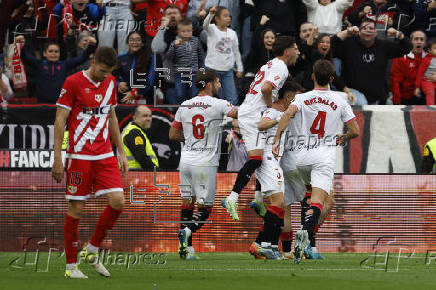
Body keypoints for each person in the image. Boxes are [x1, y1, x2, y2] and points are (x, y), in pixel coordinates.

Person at [51, 46, 128, 278]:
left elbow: (111, 116)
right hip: (79, 156)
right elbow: (59, 119)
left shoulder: (111, 82)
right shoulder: (73, 82)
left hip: (105, 154)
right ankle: (71, 267)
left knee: (118, 202)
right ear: (92, 62)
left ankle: (92, 248)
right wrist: (57, 157)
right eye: (102, 70)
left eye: (109, 72)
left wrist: (121, 151)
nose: (105, 75)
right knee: (76, 208)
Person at [273, 60, 359, 263]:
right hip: (323, 157)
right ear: (331, 79)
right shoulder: (340, 100)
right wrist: (343, 138)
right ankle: (306, 233)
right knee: (320, 202)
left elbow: (287, 114)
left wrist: (277, 139)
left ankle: (309, 240)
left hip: (301, 158)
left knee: (319, 198)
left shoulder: (302, 98)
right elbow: (355, 130)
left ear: (312, 76)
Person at [222, 36, 300, 221]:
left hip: (249, 110)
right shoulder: (281, 67)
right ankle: (232, 197)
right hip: (253, 114)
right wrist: (270, 106)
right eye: (296, 48)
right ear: (287, 50)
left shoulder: (270, 64)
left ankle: (258, 198)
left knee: (265, 155)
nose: (298, 52)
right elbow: (266, 88)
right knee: (257, 158)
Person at [169, 70, 238, 260]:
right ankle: (188, 232)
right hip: (205, 163)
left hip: (186, 162)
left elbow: (173, 135)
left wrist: (191, 138)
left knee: (187, 203)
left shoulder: (185, 105)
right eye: (217, 82)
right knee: (205, 208)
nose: (220, 85)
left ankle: (187, 249)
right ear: (208, 84)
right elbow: (237, 113)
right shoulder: (219, 104)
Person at [248, 79, 298, 260]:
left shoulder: (283, 113)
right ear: (289, 96)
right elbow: (261, 125)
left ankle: (265, 245)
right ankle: (259, 244)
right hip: (268, 160)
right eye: (296, 98)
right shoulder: (274, 112)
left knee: (279, 205)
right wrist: (280, 117)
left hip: (272, 161)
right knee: (279, 203)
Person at [331, 19, 411, 104]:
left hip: (377, 96)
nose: (368, 30)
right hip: (352, 93)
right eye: (364, 28)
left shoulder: (384, 46)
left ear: (376, 33)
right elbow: (330, 47)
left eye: (371, 28)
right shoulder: (349, 44)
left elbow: (407, 48)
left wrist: (398, 34)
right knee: (362, 102)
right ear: (359, 31)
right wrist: (346, 32)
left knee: (389, 104)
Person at [20, 39, 97, 103]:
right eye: (50, 51)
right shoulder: (39, 64)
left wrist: (91, 45)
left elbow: (82, 58)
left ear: (59, 54)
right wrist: (20, 43)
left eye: (56, 52)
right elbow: (25, 56)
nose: (53, 54)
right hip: (42, 104)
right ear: (44, 53)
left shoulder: (64, 64)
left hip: (60, 103)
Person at [203, 6, 243, 105]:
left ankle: (229, 119)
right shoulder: (212, 29)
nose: (228, 18)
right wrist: (210, 14)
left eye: (229, 16)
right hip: (212, 70)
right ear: (217, 19)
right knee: (216, 97)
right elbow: (205, 25)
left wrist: (240, 68)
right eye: (225, 16)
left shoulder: (232, 33)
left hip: (228, 71)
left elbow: (236, 51)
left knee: (232, 98)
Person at [166, 18, 205, 104]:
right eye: (184, 31)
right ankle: (182, 109)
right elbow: (169, 57)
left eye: (189, 31)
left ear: (192, 31)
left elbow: (201, 56)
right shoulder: (174, 43)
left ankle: (193, 109)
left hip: (194, 72)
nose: (187, 33)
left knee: (194, 92)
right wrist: (174, 47)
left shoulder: (196, 41)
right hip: (179, 72)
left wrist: (202, 69)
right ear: (178, 32)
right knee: (180, 93)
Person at [114, 31, 155, 104]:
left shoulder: (151, 58)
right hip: (125, 98)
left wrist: (135, 92)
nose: (134, 42)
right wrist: (118, 84)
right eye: (131, 39)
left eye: (138, 40)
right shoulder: (121, 58)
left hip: (145, 98)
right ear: (127, 42)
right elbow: (113, 76)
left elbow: (151, 80)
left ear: (142, 43)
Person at [390, 30, 427, 105]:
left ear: (425, 43)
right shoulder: (401, 57)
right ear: (410, 42)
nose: (419, 42)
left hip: (425, 96)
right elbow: (395, 81)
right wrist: (397, 101)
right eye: (416, 39)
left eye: (421, 39)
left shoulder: (430, 58)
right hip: (405, 98)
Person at [121, 105, 159, 169]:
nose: (149, 119)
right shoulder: (134, 133)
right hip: (136, 175)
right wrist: (156, 172)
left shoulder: (134, 131)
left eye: (150, 116)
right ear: (135, 118)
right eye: (145, 116)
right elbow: (142, 158)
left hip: (136, 174)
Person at [414, 39, 436, 105]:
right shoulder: (427, 59)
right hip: (427, 81)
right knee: (430, 92)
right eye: (435, 48)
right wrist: (417, 87)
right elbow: (420, 73)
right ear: (429, 50)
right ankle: (430, 108)